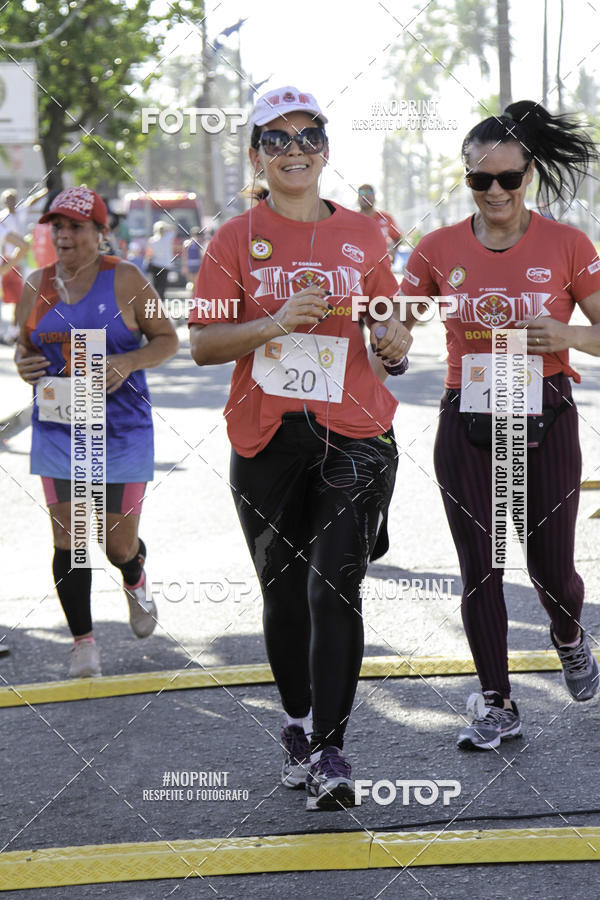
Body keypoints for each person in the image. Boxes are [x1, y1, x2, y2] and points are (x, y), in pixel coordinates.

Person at [189, 86, 412, 811]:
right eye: (277, 139)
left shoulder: (365, 234)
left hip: (354, 432)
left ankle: (330, 749)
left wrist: (393, 342)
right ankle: (296, 720)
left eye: (308, 137)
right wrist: (275, 323)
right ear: (257, 154)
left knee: (333, 586)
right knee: (283, 594)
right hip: (266, 437)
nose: (294, 150)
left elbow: (388, 326)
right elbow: (202, 344)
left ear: (326, 150)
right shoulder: (233, 239)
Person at [400, 100, 600, 750]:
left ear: (528, 175)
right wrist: (390, 341)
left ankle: (568, 633)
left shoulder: (568, 245)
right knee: (481, 568)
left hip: (546, 415)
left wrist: (568, 334)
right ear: (466, 178)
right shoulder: (437, 248)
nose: (494, 192)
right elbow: (398, 320)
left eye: (508, 179)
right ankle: (497, 704)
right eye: (480, 179)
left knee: (552, 572)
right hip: (468, 417)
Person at [14, 187, 178, 678]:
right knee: (71, 535)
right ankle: (83, 644)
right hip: (59, 427)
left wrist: (129, 361)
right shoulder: (36, 284)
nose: (63, 235)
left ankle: (135, 575)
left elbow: (167, 340)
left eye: (75, 227)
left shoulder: (125, 279)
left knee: (115, 543)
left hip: (122, 430)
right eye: (57, 226)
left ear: (100, 233)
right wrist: (23, 364)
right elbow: (24, 347)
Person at [357, 184, 403, 259]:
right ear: (358, 198)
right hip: (358, 262)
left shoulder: (386, 218)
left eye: (368, 193)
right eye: (361, 193)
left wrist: (393, 251)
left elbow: (398, 237)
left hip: (380, 262)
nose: (365, 196)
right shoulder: (351, 218)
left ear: (374, 197)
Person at [146, 220, 175, 300]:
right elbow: (174, 229)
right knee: (163, 284)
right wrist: (166, 225)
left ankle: (156, 299)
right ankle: (161, 300)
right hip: (165, 265)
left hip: (155, 264)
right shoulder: (167, 238)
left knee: (156, 284)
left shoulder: (151, 240)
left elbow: (149, 253)